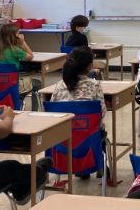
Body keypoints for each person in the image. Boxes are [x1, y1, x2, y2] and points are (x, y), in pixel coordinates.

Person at [0, 101, 52, 204]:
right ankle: (39, 173)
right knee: (11, 167)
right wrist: (8, 117)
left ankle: (20, 188)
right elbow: (3, 131)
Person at [51, 46, 108, 180]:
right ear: (89, 66)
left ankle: (82, 169)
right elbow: (101, 112)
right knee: (97, 129)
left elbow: (51, 111)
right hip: (88, 140)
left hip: (61, 140)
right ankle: (99, 167)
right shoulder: (94, 85)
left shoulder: (59, 85)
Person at [0, 23, 41, 111]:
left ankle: (16, 99)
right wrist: (23, 42)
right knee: (37, 83)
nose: (20, 35)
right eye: (18, 34)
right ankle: (34, 110)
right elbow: (31, 56)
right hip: (14, 84)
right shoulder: (14, 50)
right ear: (13, 36)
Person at [64, 15, 103, 79]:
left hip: (70, 69)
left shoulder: (70, 37)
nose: (84, 29)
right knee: (100, 67)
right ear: (77, 27)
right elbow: (87, 54)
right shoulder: (83, 37)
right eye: (83, 27)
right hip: (81, 69)